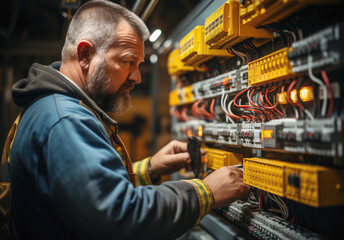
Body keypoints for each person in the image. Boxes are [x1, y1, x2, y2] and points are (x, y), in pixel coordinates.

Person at [7, 0, 250, 239]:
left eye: (138, 65)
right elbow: (118, 217)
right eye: (127, 62)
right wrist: (205, 192)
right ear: (85, 54)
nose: (136, 77)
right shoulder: (65, 120)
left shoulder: (53, 107)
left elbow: (85, 192)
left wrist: (150, 168)